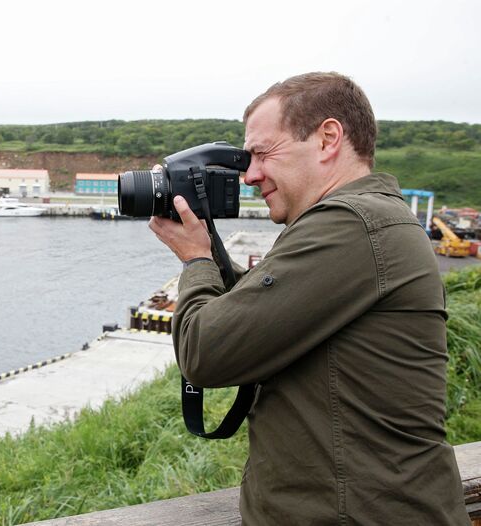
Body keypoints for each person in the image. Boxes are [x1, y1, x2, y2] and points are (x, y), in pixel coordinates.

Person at [149, 72, 468, 524]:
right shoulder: (365, 220)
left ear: (327, 138)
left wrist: (196, 260)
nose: (250, 175)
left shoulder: (352, 225)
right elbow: (262, 309)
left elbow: (206, 350)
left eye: (262, 153)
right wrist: (210, 249)